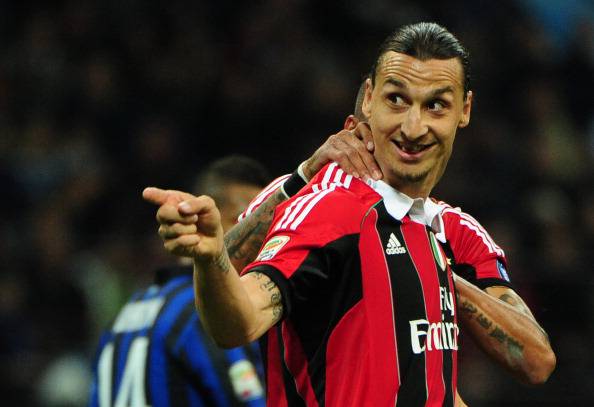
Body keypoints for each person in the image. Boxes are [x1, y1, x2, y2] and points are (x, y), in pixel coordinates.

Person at [144, 22, 556, 406]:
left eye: (436, 105)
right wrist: (211, 256)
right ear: (368, 100)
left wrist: (436, 275)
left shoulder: (453, 231)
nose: (413, 127)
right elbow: (239, 322)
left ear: (464, 110)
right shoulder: (330, 209)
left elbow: (535, 362)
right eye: (397, 100)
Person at [89, 156, 271, 407]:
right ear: (209, 220)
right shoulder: (209, 313)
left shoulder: (124, 316)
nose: (264, 238)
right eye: (251, 223)